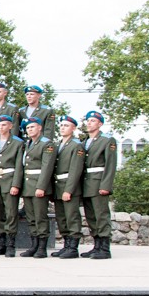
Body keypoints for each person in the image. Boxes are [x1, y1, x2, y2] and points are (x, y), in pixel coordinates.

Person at [80, 110, 117, 259]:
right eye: (88, 121)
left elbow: (110, 165)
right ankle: (96, 246)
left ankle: (105, 248)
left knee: (101, 215)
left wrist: (105, 186)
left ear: (100, 124)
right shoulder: (84, 142)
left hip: (98, 182)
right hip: (86, 183)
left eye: (93, 121)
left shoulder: (107, 140)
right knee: (91, 216)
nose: (89, 123)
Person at [0, 115, 24, 258]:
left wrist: (16, 184)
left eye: (4, 125)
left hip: (9, 180)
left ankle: (10, 245)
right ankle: (0, 243)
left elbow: (19, 166)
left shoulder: (17, 143)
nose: (1, 127)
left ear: (10, 126)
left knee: (11, 214)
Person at [19, 116, 56, 258]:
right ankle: (34, 245)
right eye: (28, 128)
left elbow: (47, 167)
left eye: (32, 127)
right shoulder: (28, 143)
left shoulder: (46, 144)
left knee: (40, 217)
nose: (29, 130)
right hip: (28, 186)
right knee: (31, 218)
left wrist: (41, 187)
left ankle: (42, 247)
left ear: (40, 128)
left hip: (38, 185)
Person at [50, 115, 85, 259]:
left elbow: (76, 170)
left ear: (73, 128)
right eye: (61, 125)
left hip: (68, 186)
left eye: (66, 125)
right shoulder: (58, 144)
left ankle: (73, 247)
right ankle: (66, 245)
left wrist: (68, 190)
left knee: (72, 217)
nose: (63, 128)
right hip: (58, 185)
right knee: (61, 217)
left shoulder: (76, 145)